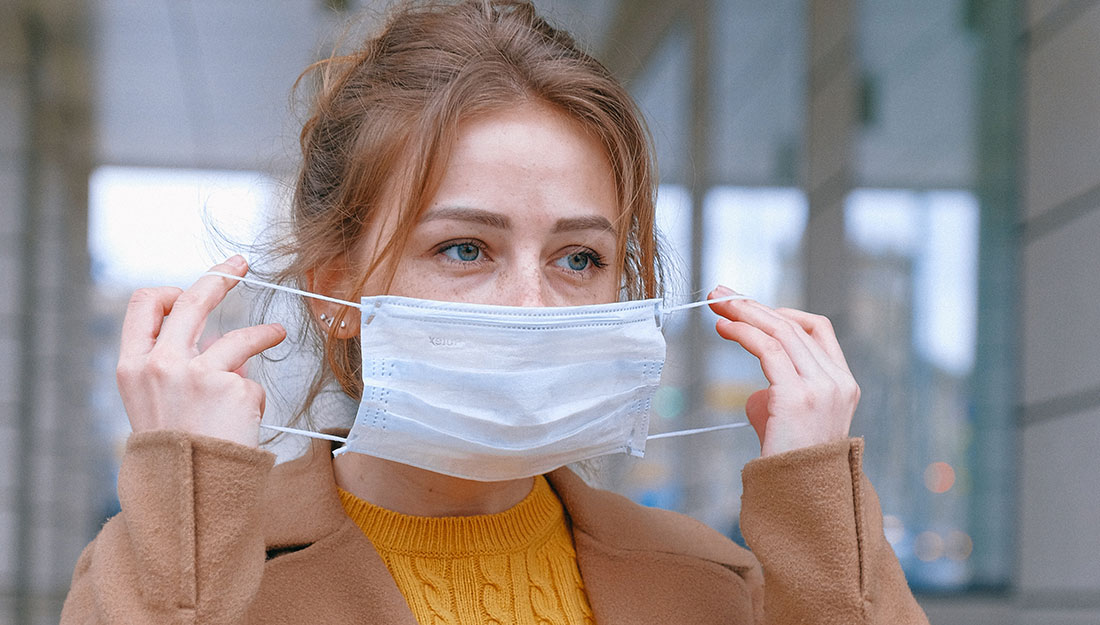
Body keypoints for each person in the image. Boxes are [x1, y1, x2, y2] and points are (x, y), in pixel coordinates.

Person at [62, 1, 930, 623]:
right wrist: (184, 492)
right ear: (336, 294)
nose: (530, 305)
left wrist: (820, 511)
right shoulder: (179, 575)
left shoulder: (718, 586)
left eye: (580, 258)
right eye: (465, 248)